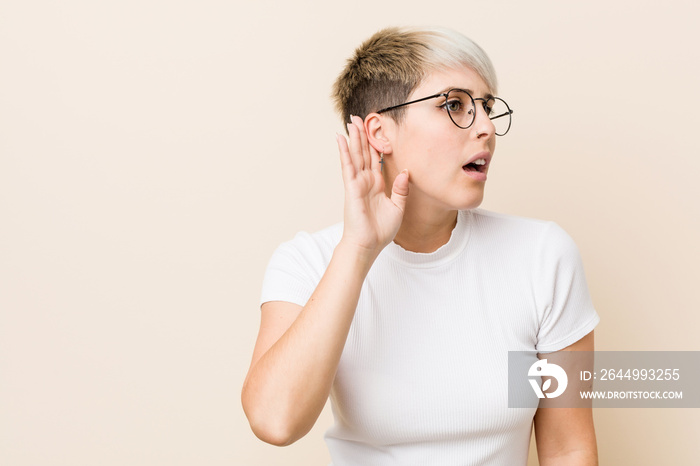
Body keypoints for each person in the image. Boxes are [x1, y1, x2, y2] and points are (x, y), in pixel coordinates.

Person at [242, 26, 600, 465]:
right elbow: (275, 421)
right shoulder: (307, 262)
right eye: (454, 105)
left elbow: (569, 448)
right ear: (379, 133)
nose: (486, 128)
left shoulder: (543, 256)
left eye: (486, 107)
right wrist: (358, 251)